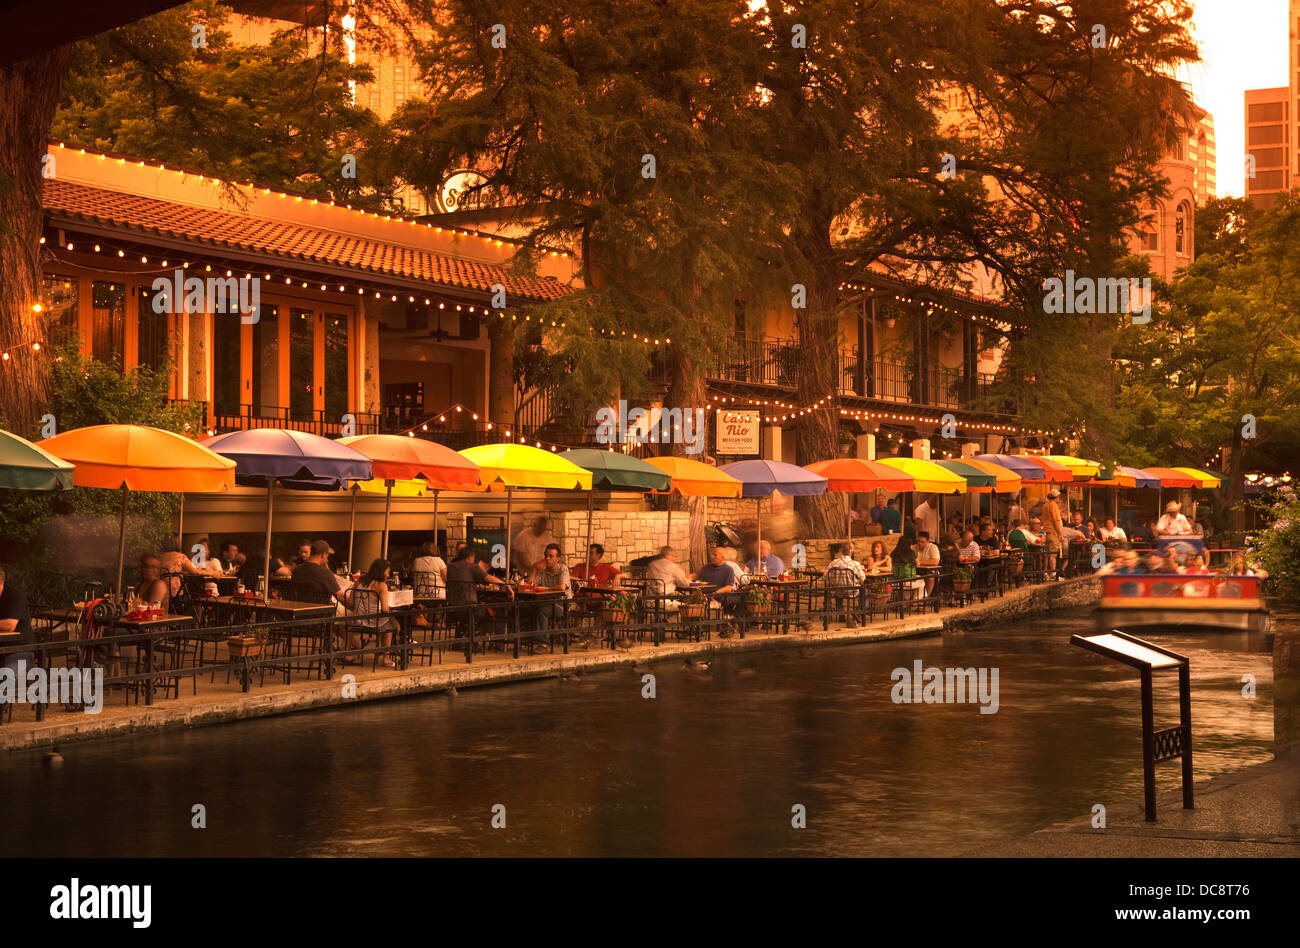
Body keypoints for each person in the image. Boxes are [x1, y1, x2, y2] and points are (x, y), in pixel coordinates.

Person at [342, 558, 399, 669]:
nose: (388, 574)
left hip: (357, 620)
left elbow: (351, 602)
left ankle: (345, 653)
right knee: (391, 625)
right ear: (381, 571)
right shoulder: (381, 585)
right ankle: (385, 658)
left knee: (351, 620)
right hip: (374, 622)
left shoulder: (359, 581)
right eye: (387, 571)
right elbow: (385, 609)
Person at [528, 543, 573, 633]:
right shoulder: (544, 571)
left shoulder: (563, 569)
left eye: (550, 556)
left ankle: (542, 642)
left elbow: (562, 587)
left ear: (558, 559)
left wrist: (545, 589)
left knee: (542, 611)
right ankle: (530, 638)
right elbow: (531, 586)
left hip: (562, 605)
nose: (547, 558)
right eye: (546, 556)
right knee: (528, 608)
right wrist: (534, 569)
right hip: (547, 602)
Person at [0, 565, 36, 674]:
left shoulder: (15, 595)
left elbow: (9, 625)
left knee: (4, 677)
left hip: (19, 651)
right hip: (2, 650)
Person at [1041, 488, 1064, 579]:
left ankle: (1046, 573)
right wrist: (1060, 533)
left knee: (1047, 554)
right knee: (1053, 554)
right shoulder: (1053, 505)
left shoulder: (1045, 505)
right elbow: (1055, 520)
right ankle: (1053, 574)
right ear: (1056, 497)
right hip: (1053, 532)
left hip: (1046, 532)